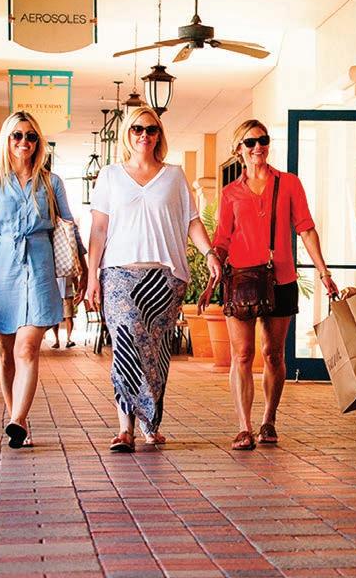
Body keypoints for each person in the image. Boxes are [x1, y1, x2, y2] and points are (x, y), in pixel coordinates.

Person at [85, 106, 221, 452]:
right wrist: (91, 277)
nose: (144, 135)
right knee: (125, 346)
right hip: (119, 273)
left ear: (159, 135)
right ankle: (125, 428)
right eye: (137, 129)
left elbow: (191, 221)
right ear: (127, 135)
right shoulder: (110, 176)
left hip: (165, 276)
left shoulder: (174, 176)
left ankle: (151, 423)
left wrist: (209, 253)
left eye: (151, 129)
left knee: (155, 350)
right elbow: (98, 230)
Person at [199, 119, 339, 451]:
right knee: (242, 355)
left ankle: (268, 420)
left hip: (281, 279)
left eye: (263, 140)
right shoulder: (230, 193)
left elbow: (306, 228)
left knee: (273, 354)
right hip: (241, 281)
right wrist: (213, 271)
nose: (258, 147)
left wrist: (324, 272)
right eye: (250, 142)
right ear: (239, 149)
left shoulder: (288, 183)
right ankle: (244, 427)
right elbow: (222, 238)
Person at [0, 111, 87, 449]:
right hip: (3, 271)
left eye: (31, 136)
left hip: (40, 268)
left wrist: (84, 268)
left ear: (38, 142)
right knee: (5, 353)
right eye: (17, 135)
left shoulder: (51, 182)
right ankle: (18, 418)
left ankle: (17, 419)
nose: (24, 142)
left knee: (27, 347)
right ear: (7, 140)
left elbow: (69, 227)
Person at [50, 275, 77, 349]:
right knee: (55, 318)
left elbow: (74, 277)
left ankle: (68, 339)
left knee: (69, 316)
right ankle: (56, 340)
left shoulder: (70, 267)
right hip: (55, 293)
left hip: (68, 293)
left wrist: (77, 290)